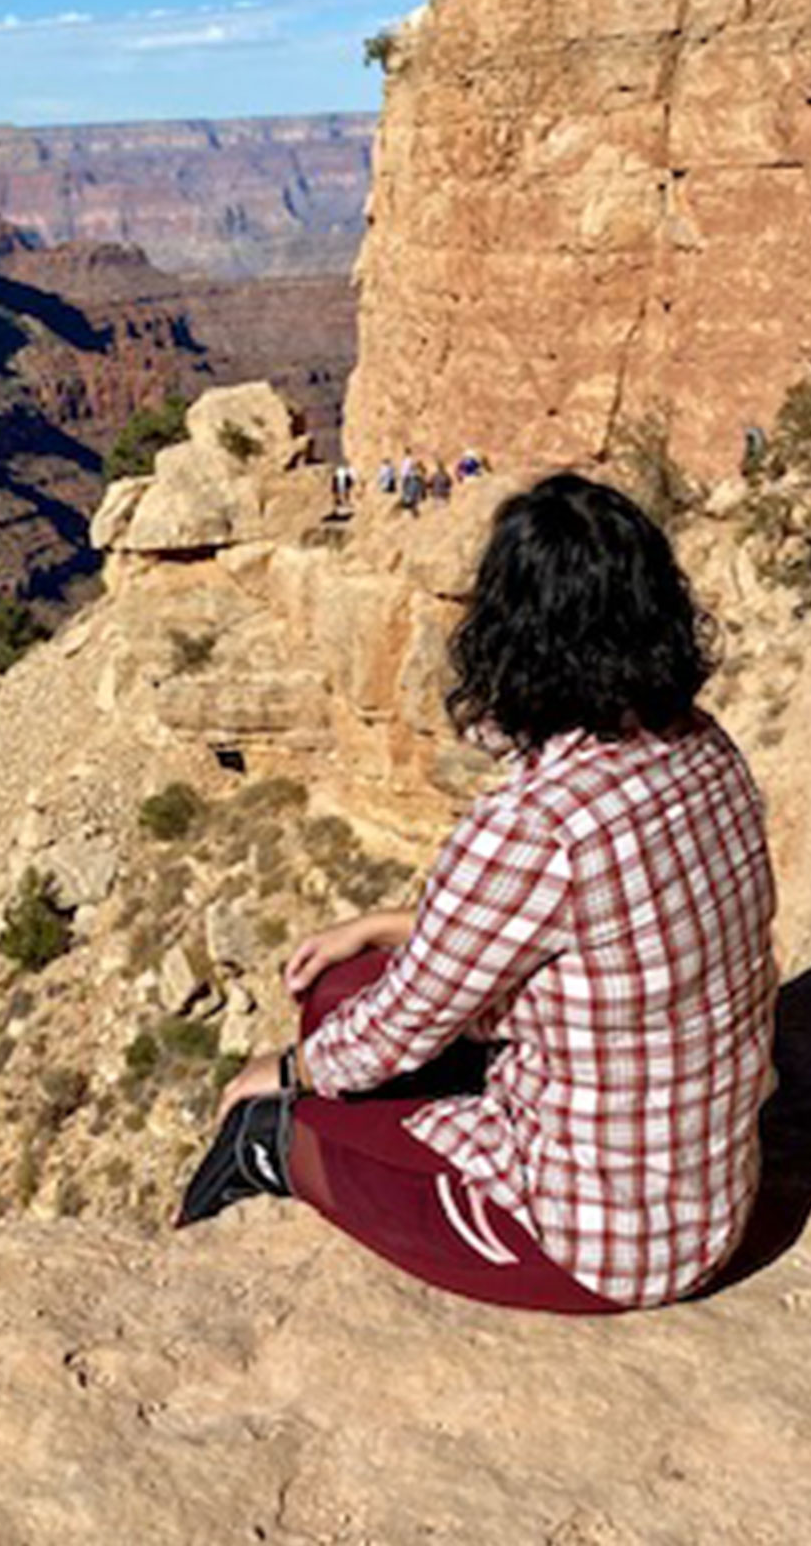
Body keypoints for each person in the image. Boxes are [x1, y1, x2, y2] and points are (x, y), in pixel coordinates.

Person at [177, 473, 779, 1313]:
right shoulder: (702, 747)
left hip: (593, 1243)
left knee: (273, 1121)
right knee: (341, 982)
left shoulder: (537, 820)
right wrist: (378, 927)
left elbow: (397, 1029)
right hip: (709, 1195)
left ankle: (194, 1266)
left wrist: (280, 1070)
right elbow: (575, 919)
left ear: (513, 632)